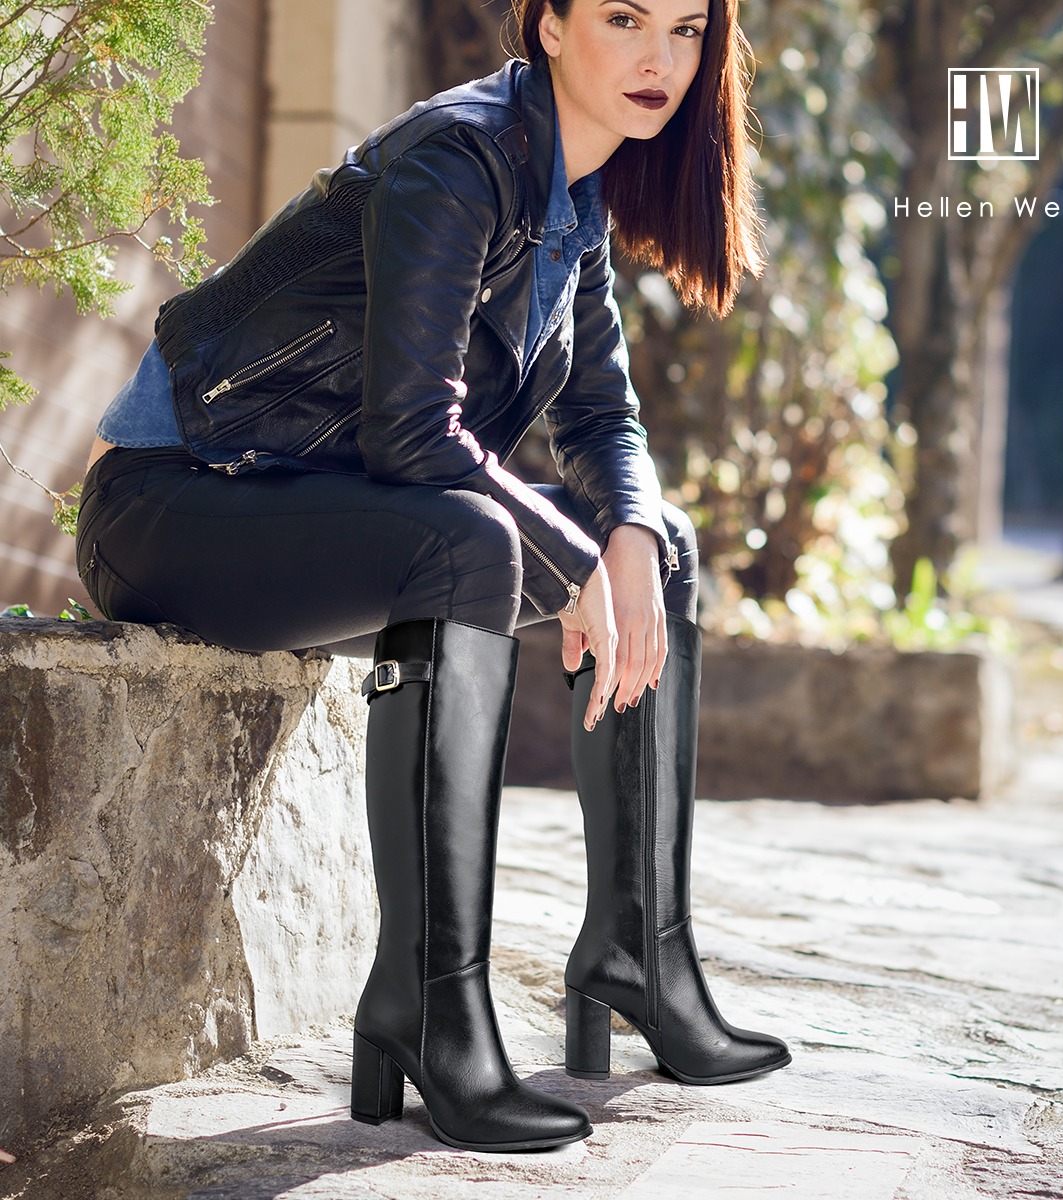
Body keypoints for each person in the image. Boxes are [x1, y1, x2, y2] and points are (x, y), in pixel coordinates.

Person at [76, 0, 790, 1154]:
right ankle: (427, 1004)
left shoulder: (571, 199)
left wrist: (624, 536)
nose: (661, 57)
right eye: (623, 17)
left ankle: (640, 954)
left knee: (657, 542)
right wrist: (570, 561)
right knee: (474, 541)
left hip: (325, 512)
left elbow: (602, 418)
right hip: (177, 504)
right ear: (548, 25)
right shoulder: (458, 156)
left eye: (686, 29)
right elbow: (413, 434)